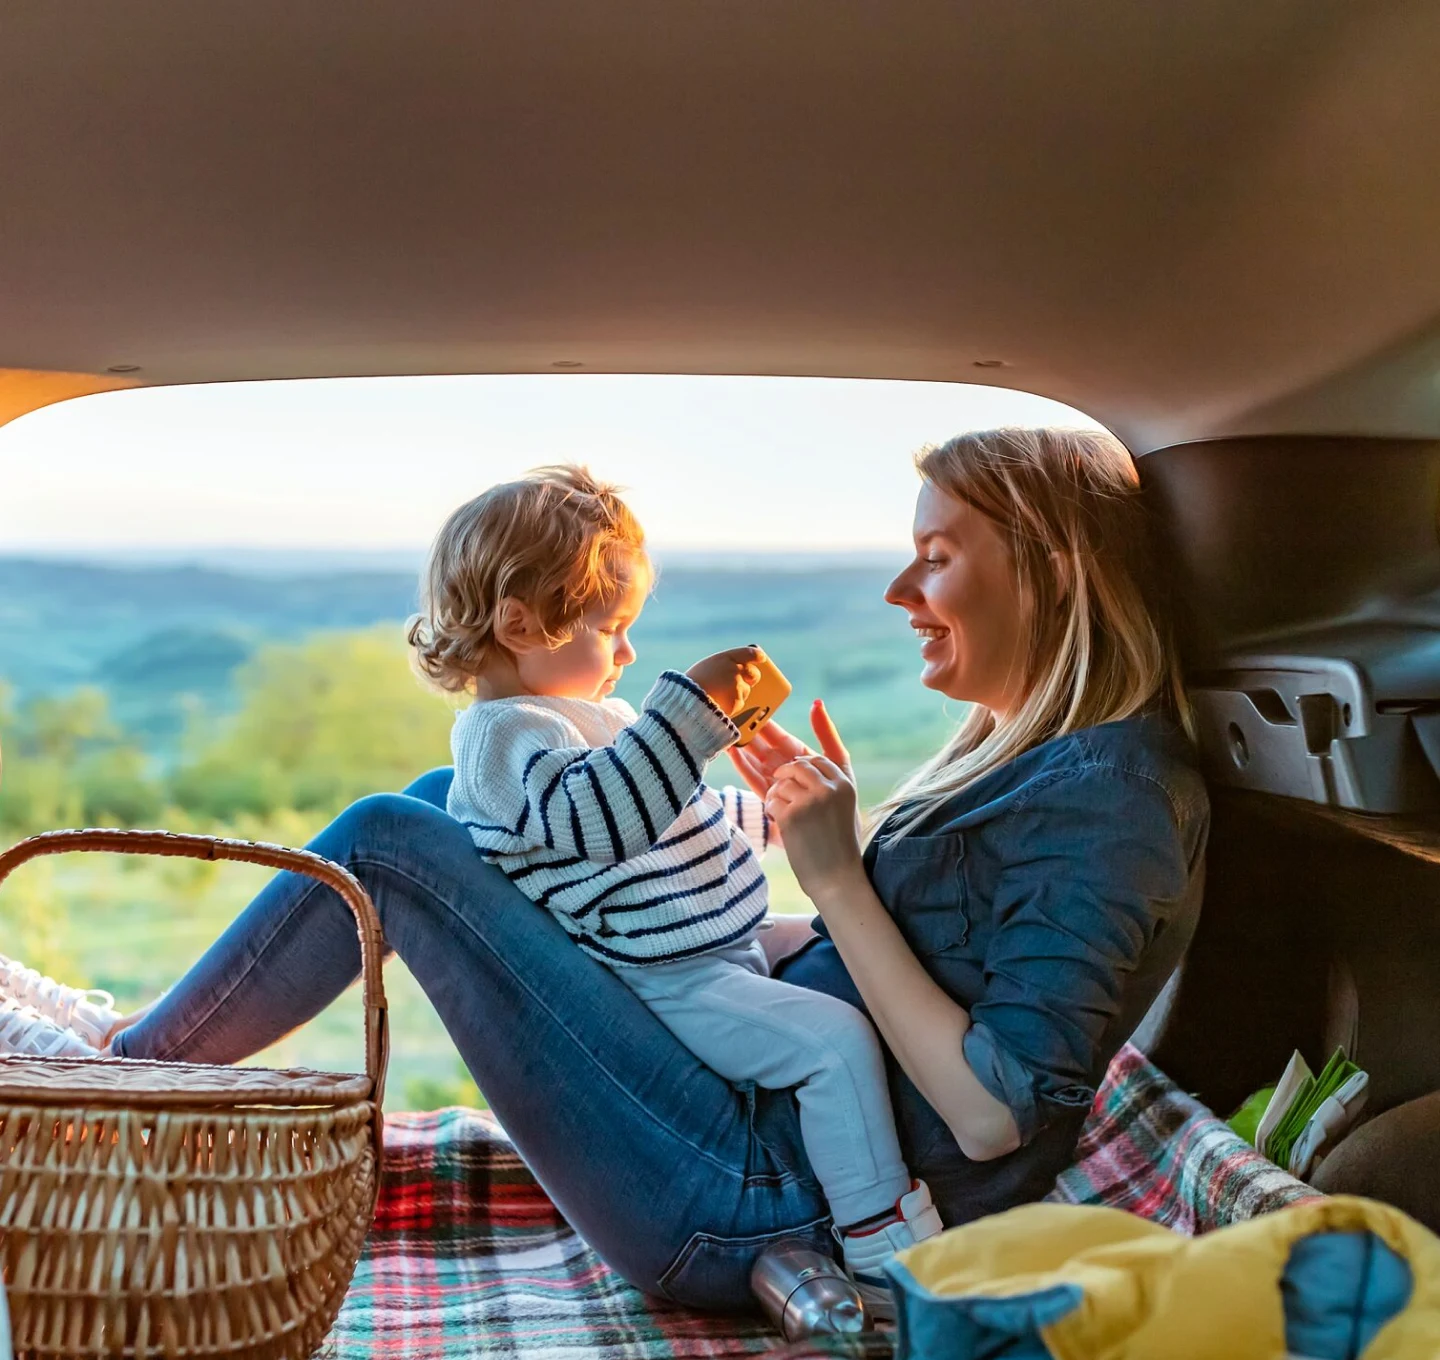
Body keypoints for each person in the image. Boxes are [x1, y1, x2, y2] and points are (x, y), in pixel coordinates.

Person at [8, 426, 1208, 1315]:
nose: (900, 591)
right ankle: (136, 1058)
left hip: (768, 1191)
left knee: (390, 834)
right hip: (745, 1109)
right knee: (451, 810)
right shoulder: (1036, 759)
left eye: (938, 558)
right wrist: (796, 854)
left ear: (1050, 567)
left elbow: (994, 1112)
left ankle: (120, 1083)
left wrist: (839, 881)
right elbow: (878, 959)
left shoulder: (1111, 798)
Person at [413, 467, 942, 1298]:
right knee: (833, 1043)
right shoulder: (501, 741)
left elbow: (682, 818)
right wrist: (689, 715)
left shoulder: (597, 721)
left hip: (714, 939)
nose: (625, 653)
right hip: (670, 977)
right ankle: (881, 1242)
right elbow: (605, 818)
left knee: (861, 945)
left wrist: (784, 808)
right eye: (607, 627)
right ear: (520, 623)